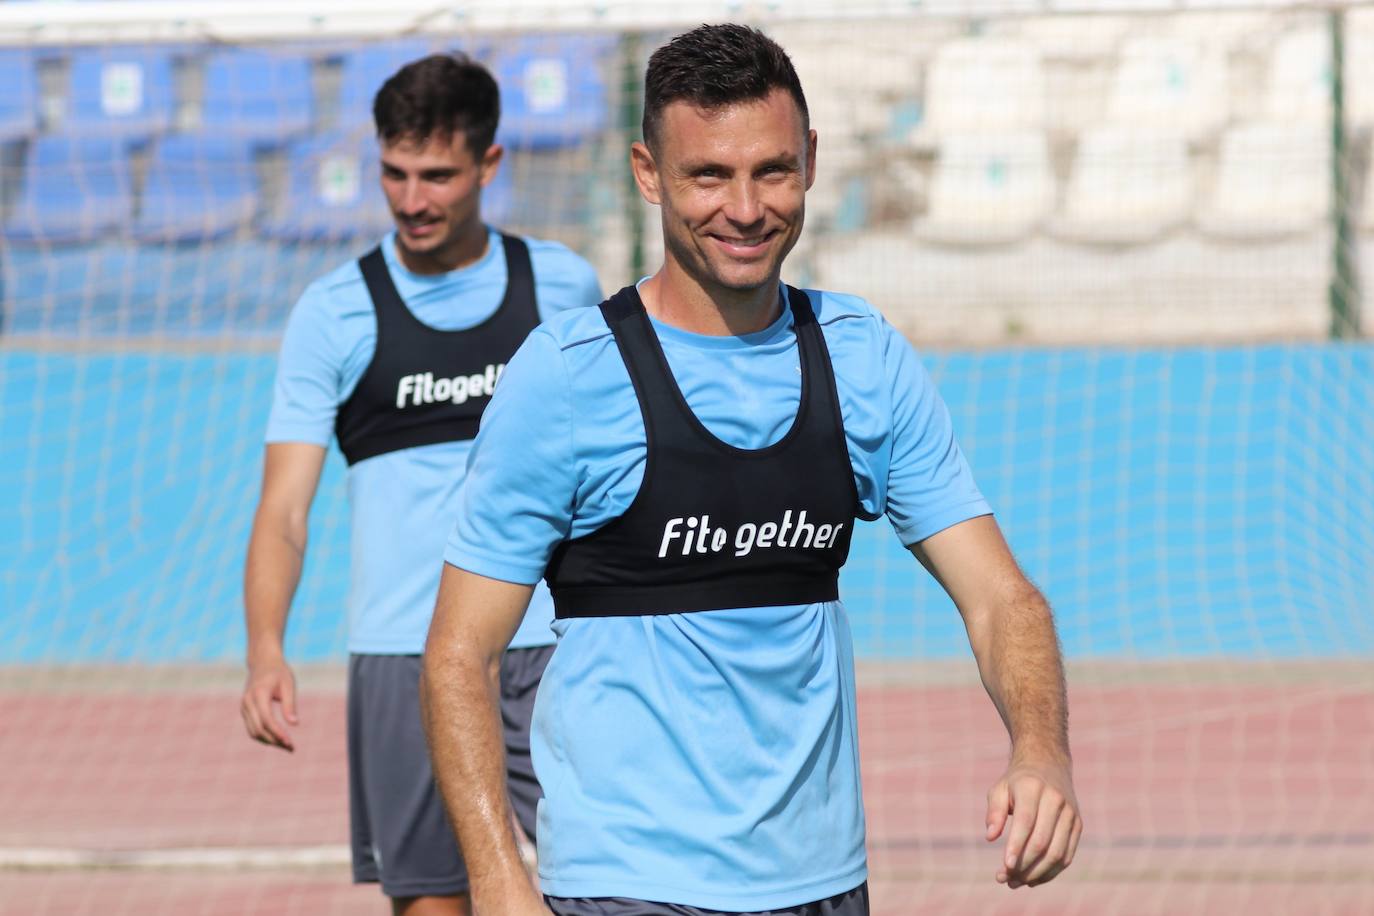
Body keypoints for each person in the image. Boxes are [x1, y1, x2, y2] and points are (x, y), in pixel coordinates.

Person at [421, 24, 1081, 916]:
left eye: (771, 170)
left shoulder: (864, 360)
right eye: (708, 175)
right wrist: (500, 880)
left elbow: (1003, 600)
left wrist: (1040, 749)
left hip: (824, 888)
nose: (745, 207)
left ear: (809, 160)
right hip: (627, 889)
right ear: (648, 173)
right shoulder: (569, 375)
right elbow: (461, 653)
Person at [239, 52, 603, 916]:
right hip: (400, 656)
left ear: (490, 164)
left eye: (436, 175)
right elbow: (284, 511)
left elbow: (612, 469)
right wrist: (265, 648)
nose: (412, 200)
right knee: (434, 905)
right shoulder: (334, 311)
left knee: (599, 890)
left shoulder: (561, 288)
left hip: (548, 647)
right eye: (394, 174)